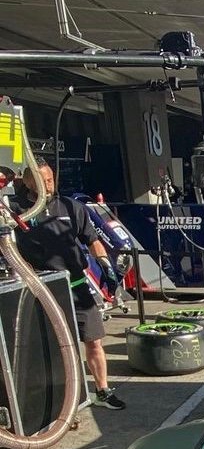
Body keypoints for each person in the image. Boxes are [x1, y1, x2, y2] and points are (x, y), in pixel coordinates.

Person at [13, 159, 125, 408]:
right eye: (42, 180)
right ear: (29, 182)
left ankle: (103, 391)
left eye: (50, 179)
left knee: (94, 340)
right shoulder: (16, 211)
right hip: (44, 290)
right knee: (57, 348)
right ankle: (63, 403)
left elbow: (92, 240)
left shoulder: (70, 207)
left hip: (76, 285)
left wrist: (106, 266)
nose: (48, 184)